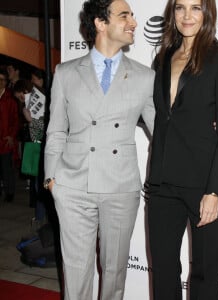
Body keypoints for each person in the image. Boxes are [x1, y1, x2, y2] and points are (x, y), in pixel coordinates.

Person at [43, 0, 155, 299]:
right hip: (73, 185)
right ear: (100, 23)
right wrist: (52, 179)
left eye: (132, 15)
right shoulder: (66, 73)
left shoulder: (145, 77)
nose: (133, 21)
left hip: (120, 187)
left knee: (115, 271)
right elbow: (55, 130)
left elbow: (163, 134)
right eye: (124, 15)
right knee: (76, 269)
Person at [147, 0, 218, 299]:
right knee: (162, 271)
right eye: (180, 8)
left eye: (196, 8)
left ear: (207, 13)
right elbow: (162, 118)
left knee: (205, 275)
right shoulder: (162, 59)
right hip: (162, 183)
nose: (187, 15)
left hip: (204, 184)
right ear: (171, 13)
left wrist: (214, 191)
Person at [13, 79, 46, 224]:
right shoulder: (35, 99)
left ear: (25, 91)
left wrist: (30, 120)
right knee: (38, 184)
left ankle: (41, 217)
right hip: (38, 145)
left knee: (40, 185)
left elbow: (42, 126)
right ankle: (40, 216)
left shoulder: (37, 100)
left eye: (20, 96)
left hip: (41, 146)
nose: (20, 100)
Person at [0, 68, 19, 202]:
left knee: (6, 167)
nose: (0, 82)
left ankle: (9, 192)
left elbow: (15, 119)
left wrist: (11, 136)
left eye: (2, 79)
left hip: (5, 139)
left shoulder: (10, 99)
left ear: (6, 82)